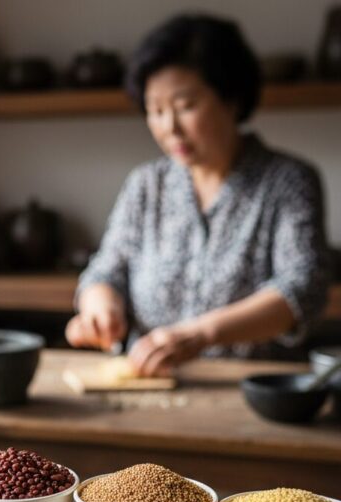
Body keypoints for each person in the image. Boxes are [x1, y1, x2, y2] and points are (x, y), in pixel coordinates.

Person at [66, 14, 331, 376]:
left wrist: (202, 334)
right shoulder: (146, 185)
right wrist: (101, 308)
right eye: (156, 110)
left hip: (253, 390)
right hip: (150, 385)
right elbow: (105, 272)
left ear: (231, 99)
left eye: (185, 106)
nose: (169, 127)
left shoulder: (287, 182)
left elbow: (302, 288)